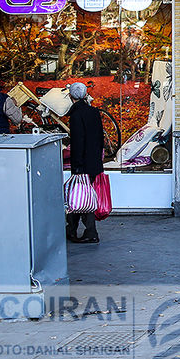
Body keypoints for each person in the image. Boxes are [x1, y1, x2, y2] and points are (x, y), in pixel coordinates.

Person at [65, 82, 104, 243]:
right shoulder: (94, 112)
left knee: (80, 197)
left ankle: (89, 231)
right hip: (93, 161)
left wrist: (77, 165)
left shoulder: (76, 115)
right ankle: (71, 229)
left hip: (82, 164)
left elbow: (78, 141)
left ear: (70, 96)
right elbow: (100, 138)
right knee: (81, 196)